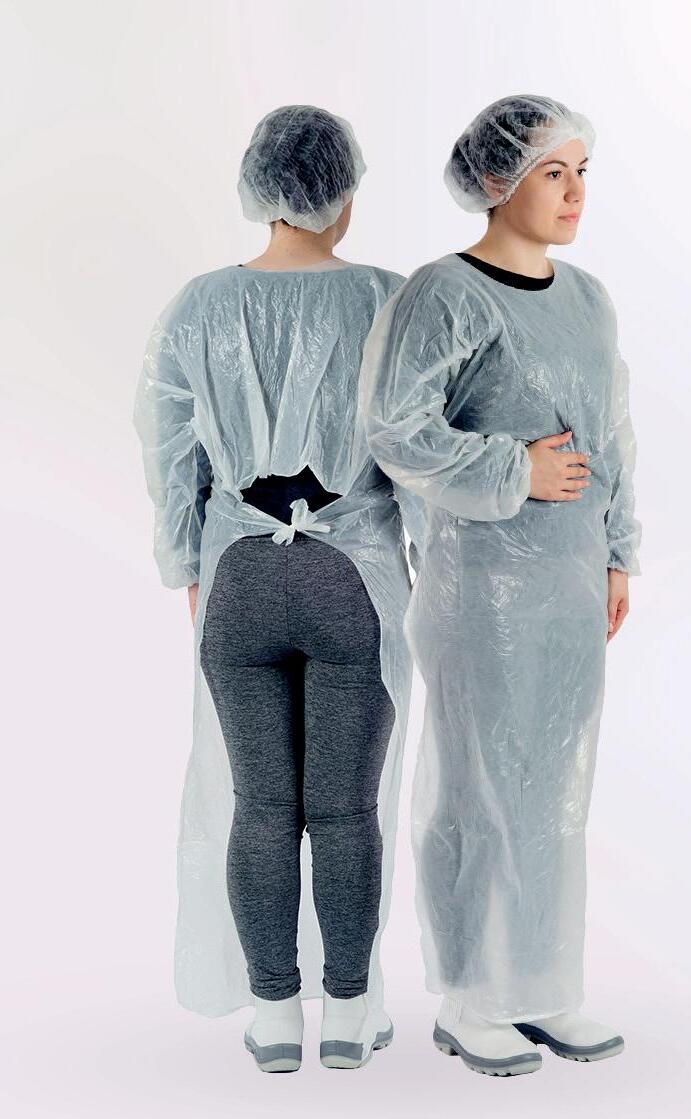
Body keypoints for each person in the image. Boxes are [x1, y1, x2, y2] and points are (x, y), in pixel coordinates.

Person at [359, 94, 642, 1076]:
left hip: (568, 580)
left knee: (555, 787)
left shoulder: (589, 299)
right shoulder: (444, 294)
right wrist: (514, 469)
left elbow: (613, 436)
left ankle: (542, 983)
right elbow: (396, 429)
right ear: (495, 180)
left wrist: (617, 549)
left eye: (581, 172)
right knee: (477, 785)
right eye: (551, 172)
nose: (573, 193)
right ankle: (472, 995)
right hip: (478, 585)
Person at [133, 105, 413, 1072]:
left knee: (260, 806)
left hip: (239, 577)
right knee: (342, 810)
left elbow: (168, 447)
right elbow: (417, 453)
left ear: (262, 190)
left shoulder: (200, 305)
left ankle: (273, 1017)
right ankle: (349, 1015)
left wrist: (189, 563)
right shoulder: (386, 301)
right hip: (351, 577)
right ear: (341, 192)